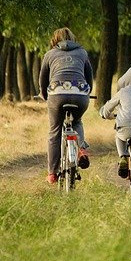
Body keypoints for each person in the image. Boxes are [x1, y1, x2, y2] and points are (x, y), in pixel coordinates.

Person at [39, 27, 93, 185]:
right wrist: (87, 92)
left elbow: (43, 80)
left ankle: (52, 173)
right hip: (80, 93)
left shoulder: (49, 54)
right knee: (76, 122)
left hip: (57, 94)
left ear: (55, 39)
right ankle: (81, 149)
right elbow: (89, 76)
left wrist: (44, 95)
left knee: (55, 131)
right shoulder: (82, 53)